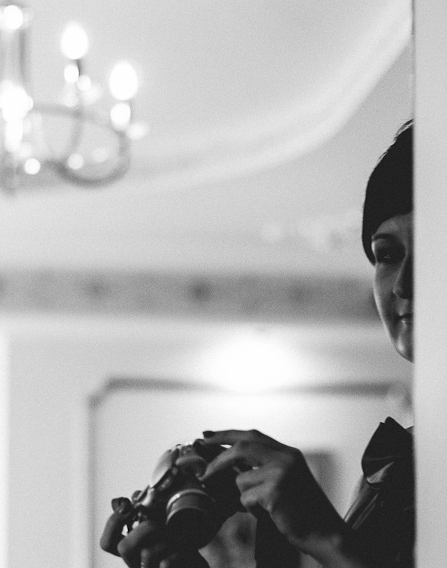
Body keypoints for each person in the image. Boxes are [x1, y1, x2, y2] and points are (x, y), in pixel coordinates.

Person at [100, 121, 415, 568]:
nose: (403, 284)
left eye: (434, 253)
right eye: (387, 255)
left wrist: (325, 536)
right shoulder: (391, 470)